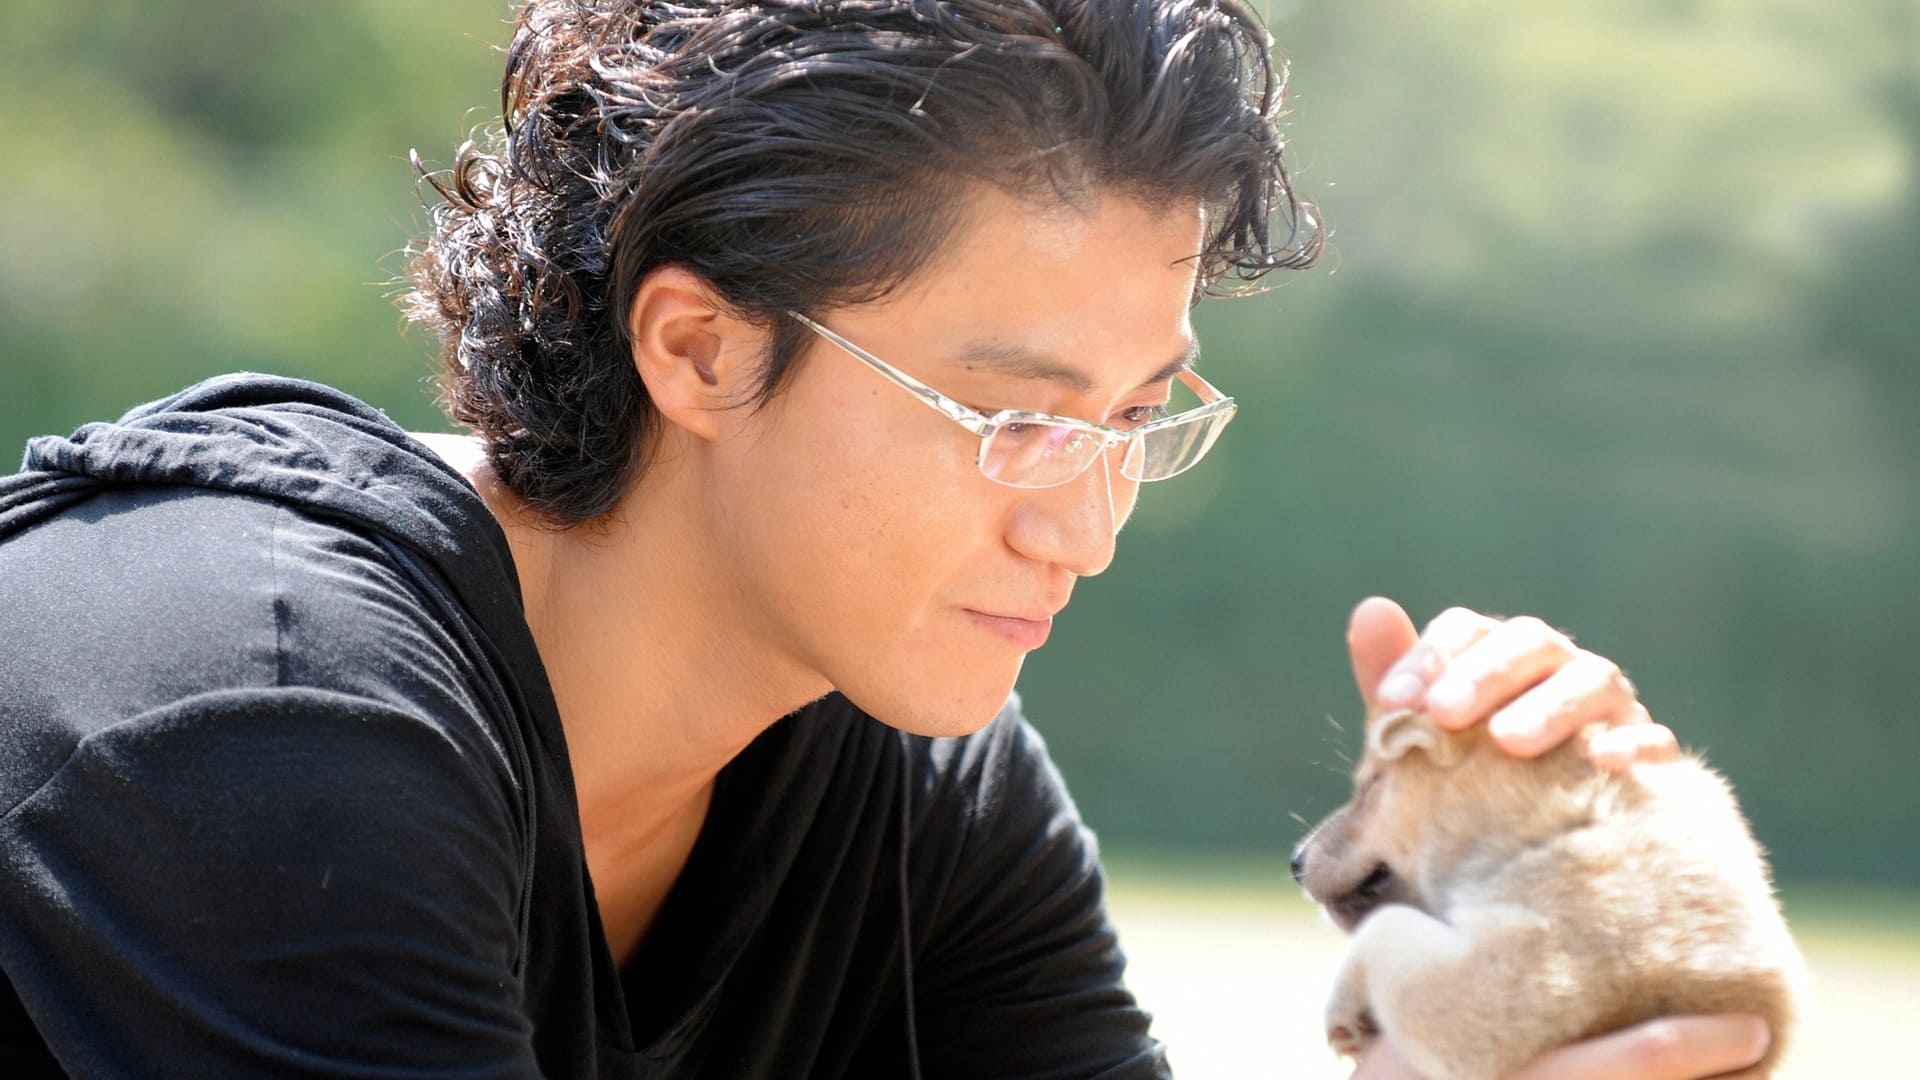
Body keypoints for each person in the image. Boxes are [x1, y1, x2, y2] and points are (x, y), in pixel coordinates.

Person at [0, 0, 1774, 1076]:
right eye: (1015, 418)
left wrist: (1499, 1009)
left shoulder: (919, 781)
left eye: (1135, 418)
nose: (1084, 527)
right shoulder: (249, 712)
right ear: (700, 348)